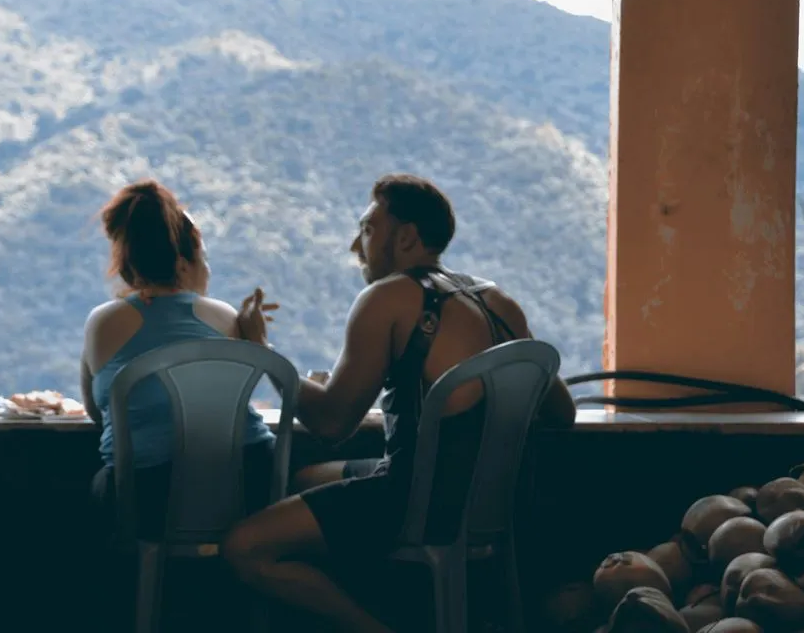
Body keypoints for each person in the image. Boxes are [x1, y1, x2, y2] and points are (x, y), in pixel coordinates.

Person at [222, 174, 578, 633]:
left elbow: (332, 423)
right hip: (487, 504)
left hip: (415, 502)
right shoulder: (497, 301)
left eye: (368, 229)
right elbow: (562, 412)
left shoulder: (387, 299)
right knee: (309, 478)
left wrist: (263, 354)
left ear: (406, 236)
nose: (356, 244)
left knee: (244, 548)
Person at [79, 179, 279, 539]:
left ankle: (132, 590)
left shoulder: (102, 322)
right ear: (185, 263)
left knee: (96, 486)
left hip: (149, 496)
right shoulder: (225, 316)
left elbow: (100, 413)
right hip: (250, 482)